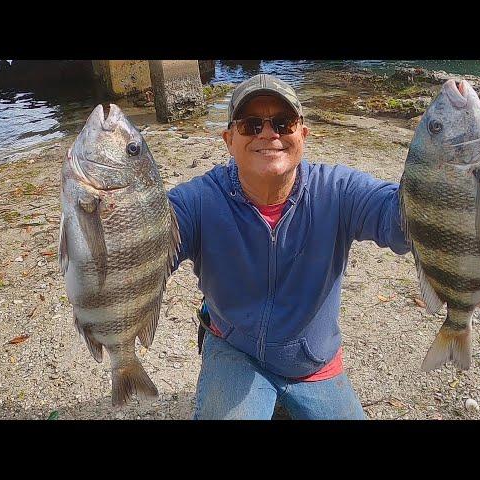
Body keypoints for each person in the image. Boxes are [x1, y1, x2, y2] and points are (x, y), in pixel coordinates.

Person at [167, 73, 410, 420]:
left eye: (283, 123)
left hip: (311, 360)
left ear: (303, 136)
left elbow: (398, 221)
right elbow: (151, 243)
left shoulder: (338, 191)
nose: (269, 134)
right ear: (229, 139)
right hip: (236, 349)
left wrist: (442, 178)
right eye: (252, 125)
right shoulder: (200, 200)